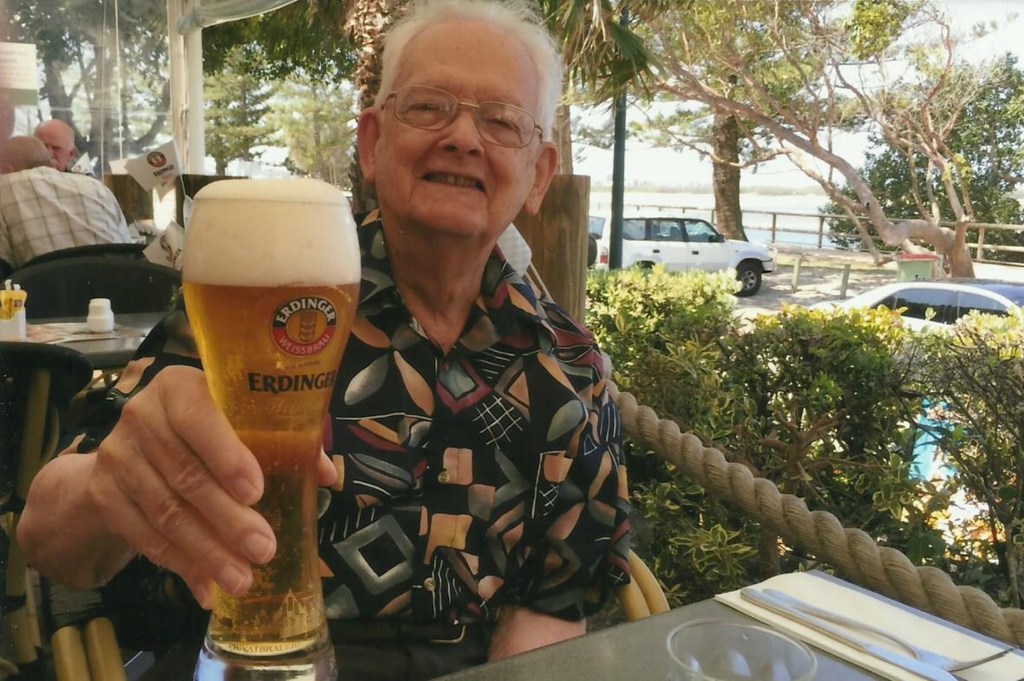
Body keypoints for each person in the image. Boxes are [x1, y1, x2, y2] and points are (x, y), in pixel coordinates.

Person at [16, 0, 631, 679]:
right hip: (243, 660)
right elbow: (49, 539)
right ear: (372, 143)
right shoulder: (257, 304)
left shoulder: (571, 366)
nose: (462, 137)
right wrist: (106, 484)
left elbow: (553, 600)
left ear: (539, 173)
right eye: (428, 107)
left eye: (502, 120)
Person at [0, 136, 130, 268]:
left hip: (47, 279)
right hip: (120, 276)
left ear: (7, 169)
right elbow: (127, 245)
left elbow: (3, 264)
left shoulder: (5, 187)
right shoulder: (96, 186)